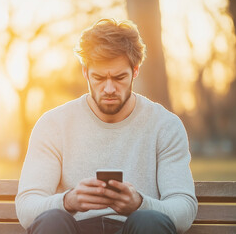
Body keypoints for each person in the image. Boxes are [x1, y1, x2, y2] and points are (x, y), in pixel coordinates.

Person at [15, 18, 198, 234]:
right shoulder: (53, 125)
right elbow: (27, 208)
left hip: (136, 229)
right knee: (51, 221)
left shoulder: (165, 125)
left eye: (120, 77)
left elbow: (184, 209)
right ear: (85, 72)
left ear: (135, 71)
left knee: (150, 221)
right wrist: (68, 201)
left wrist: (140, 204)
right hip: (73, 229)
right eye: (99, 77)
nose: (109, 88)